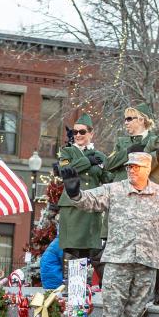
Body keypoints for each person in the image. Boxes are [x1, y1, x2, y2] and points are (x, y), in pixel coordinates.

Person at [62, 151, 159, 317]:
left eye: (136, 167)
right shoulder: (114, 190)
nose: (131, 170)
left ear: (147, 169)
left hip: (147, 262)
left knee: (137, 310)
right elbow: (89, 201)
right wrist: (74, 193)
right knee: (112, 307)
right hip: (117, 259)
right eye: (129, 166)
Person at [56, 114, 108, 271]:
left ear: (91, 134)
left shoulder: (100, 155)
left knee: (91, 249)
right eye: (75, 132)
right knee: (73, 249)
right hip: (72, 206)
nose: (78, 135)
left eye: (82, 132)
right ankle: (72, 288)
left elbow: (106, 178)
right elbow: (65, 170)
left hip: (92, 207)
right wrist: (88, 162)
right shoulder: (67, 152)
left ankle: (90, 288)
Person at [106, 103, 157, 183]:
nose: (126, 123)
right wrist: (128, 151)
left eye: (129, 119)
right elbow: (108, 164)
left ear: (141, 120)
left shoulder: (155, 141)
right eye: (125, 119)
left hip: (146, 189)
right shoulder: (121, 142)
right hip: (122, 190)